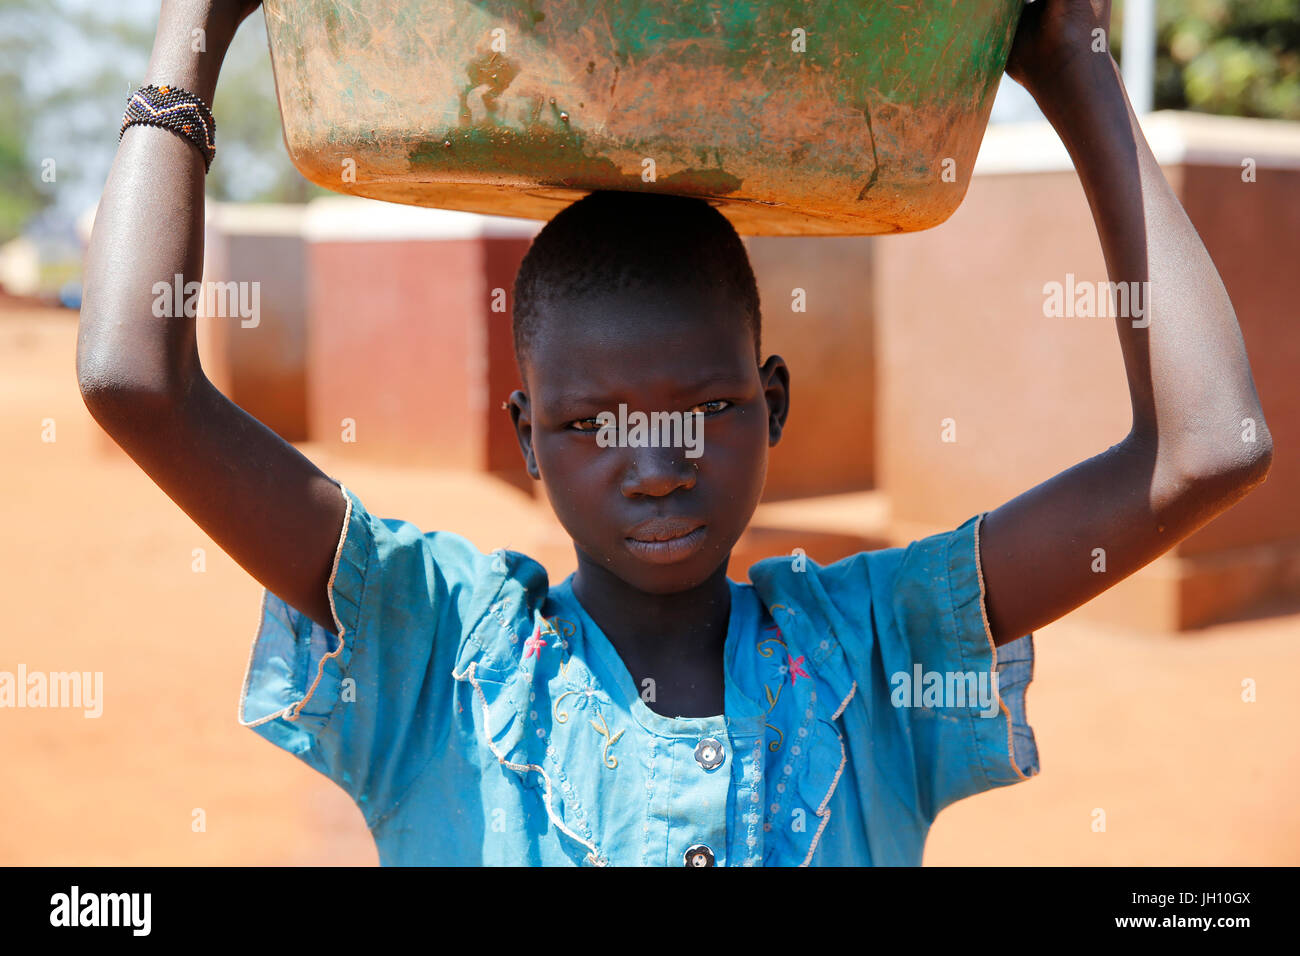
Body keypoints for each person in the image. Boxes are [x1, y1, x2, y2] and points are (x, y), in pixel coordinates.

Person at [77, 0, 1273, 866]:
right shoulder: (434, 650)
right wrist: (197, 26)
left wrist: (1074, 65)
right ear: (525, 437)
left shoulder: (875, 655)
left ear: (774, 404)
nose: (654, 464)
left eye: (704, 409)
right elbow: (136, 376)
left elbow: (1207, 443)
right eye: (590, 422)